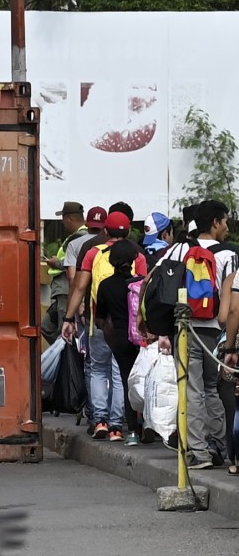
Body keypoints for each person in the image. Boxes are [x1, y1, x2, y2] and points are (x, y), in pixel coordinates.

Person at [161, 199, 233, 469]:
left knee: (192, 389)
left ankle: (200, 453)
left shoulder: (180, 249)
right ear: (215, 222)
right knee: (212, 388)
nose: (227, 226)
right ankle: (222, 447)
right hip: (216, 329)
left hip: (187, 326)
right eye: (225, 221)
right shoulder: (230, 253)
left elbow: (160, 287)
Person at [62, 210, 144, 440]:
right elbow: (145, 289)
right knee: (120, 373)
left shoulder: (93, 253)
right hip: (129, 326)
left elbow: (79, 287)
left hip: (98, 322)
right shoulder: (138, 254)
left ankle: (100, 421)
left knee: (97, 368)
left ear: (105, 230)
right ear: (129, 232)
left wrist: (69, 318)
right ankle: (118, 426)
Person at [93, 238, 149, 444]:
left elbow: (100, 316)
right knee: (146, 380)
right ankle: (149, 424)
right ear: (134, 259)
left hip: (119, 338)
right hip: (141, 337)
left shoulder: (105, 285)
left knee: (127, 382)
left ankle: (133, 431)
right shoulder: (140, 282)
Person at [42, 201, 89, 343]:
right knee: (47, 326)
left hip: (67, 291)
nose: (63, 222)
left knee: (65, 330)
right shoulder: (78, 236)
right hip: (62, 291)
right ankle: (60, 355)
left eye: (63, 218)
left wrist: (56, 262)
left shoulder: (78, 238)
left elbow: (75, 264)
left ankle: (67, 361)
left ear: (71, 219)